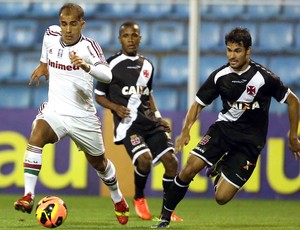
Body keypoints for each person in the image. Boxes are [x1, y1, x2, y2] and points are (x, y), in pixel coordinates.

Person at [152, 27, 300, 228]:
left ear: (248, 51)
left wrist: (293, 137)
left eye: (237, 50)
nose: (232, 55)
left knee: (221, 198)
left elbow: (293, 102)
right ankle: (165, 217)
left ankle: (220, 169)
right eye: (229, 50)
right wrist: (186, 130)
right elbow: (197, 104)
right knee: (190, 167)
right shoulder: (220, 76)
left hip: (250, 143)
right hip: (223, 131)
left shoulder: (264, 78)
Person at [13, 3, 129, 225]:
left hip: (83, 117)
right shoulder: (50, 33)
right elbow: (47, 48)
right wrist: (42, 64)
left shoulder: (89, 47)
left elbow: (107, 75)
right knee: (36, 136)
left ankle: (118, 198)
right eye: (64, 23)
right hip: (55, 110)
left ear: (81, 25)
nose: (67, 29)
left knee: (100, 164)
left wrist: (87, 67)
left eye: (73, 24)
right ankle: (28, 195)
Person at [94, 21, 183, 222]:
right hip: (128, 126)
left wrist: (159, 118)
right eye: (126, 36)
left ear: (140, 38)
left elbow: (148, 95)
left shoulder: (148, 66)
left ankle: (167, 211)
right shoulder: (110, 66)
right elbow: (99, 95)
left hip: (150, 122)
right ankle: (139, 198)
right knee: (144, 161)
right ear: (120, 39)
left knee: (171, 162)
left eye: (134, 35)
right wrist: (115, 108)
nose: (131, 39)